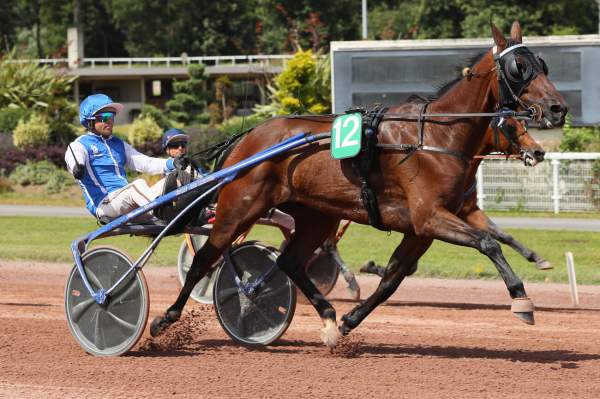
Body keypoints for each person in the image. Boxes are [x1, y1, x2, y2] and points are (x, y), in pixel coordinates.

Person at [65, 93, 184, 223]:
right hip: (105, 206)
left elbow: (146, 163)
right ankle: (168, 214)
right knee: (137, 185)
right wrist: (77, 167)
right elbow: (75, 156)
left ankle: (198, 212)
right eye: (106, 117)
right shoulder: (80, 144)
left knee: (177, 177)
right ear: (90, 121)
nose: (110, 121)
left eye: (112, 117)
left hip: (129, 202)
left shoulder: (119, 144)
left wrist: (173, 163)